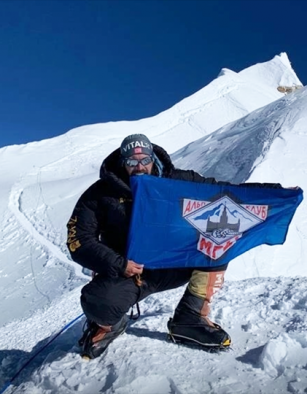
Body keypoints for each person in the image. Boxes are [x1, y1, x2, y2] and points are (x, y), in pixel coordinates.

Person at [66, 134, 283, 359]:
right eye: (132, 162)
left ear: (152, 159)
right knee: (98, 303)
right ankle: (109, 324)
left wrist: (274, 193)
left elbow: (224, 193)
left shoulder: (178, 182)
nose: (139, 167)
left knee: (219, 238)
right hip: (129, 272)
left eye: (144, 160)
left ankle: (190, 318)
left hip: (175, 265)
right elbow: (79, 240)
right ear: (123, 162)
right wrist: (119, 264)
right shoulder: (100, 194)